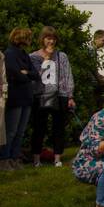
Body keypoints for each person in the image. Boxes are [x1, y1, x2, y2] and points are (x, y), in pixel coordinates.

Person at [28, 26, 75, 167]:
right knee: (39, 127)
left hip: (60, 94)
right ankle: (36, 158)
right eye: (48, 38)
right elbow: (36, 76)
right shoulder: (33, 56)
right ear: (42, 39)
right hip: (40, 95)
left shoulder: (62, 56)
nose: (51, 41)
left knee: (58, 127)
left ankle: (57, 158)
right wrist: (47, 58)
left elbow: (67, 76)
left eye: (54, 38)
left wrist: (70, 96)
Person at [3, 27, 35, 168]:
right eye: (28, 37)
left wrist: (26, 72)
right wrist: (27, 75)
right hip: (15, 97)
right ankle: (5, 158)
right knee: (11, 131)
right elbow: (15, 73)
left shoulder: (24, 54)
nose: (30, 40)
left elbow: (35, 74)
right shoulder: (10, 54)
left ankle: (15, 157)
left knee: (20, 132)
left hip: (27, 97)